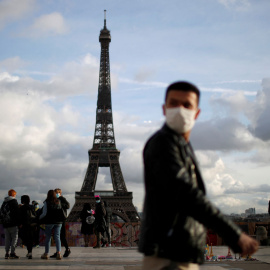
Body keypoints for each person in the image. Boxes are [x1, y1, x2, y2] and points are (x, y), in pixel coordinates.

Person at [139, 81, 259, 270]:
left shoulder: (180, 145)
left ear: (197, 113)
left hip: (177, 250)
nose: (180, 109)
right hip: (170, 253)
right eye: (174, 103)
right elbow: (187, 195)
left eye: (186, 105)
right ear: (164, 108)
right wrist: (233, 234)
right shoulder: (163, 144)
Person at [39, 190, 64, 260]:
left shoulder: (47, 202)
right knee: (57, 237)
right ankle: (58, 253)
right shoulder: (59, 201)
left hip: (49, 222)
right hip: (58, 222)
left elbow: (44, 213)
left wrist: (39, 218)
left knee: (48, 238)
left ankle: (46, 253)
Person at [49, 188, 71, 258]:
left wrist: (60, 204)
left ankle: (67, 249)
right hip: (57, 220)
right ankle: (58, 251)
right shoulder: (55, 200)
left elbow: (68, 206)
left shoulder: (62, 199)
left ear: (59, 193)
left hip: (61, 220)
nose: (55, 194)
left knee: (61, 236)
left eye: (56, 193)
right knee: (57, 236)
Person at [0, 189, 20, 259]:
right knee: (14, 239)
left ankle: (6, 253)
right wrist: (19, 222)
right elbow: (17, 213)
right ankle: (12, 253)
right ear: (14, 194)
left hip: (5, 224)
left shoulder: (4, 202)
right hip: (13, 224)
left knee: (7, 239)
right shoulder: (14, 201)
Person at [19, 195, 37, 259]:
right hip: (32, 225)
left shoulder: (22, 208)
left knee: (25, 239)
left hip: (24, 226)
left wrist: (20, 224)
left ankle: (29, 251)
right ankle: (30, 252)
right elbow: (35, 216)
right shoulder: (32, 207)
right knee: (30, 239)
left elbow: (20, 217)